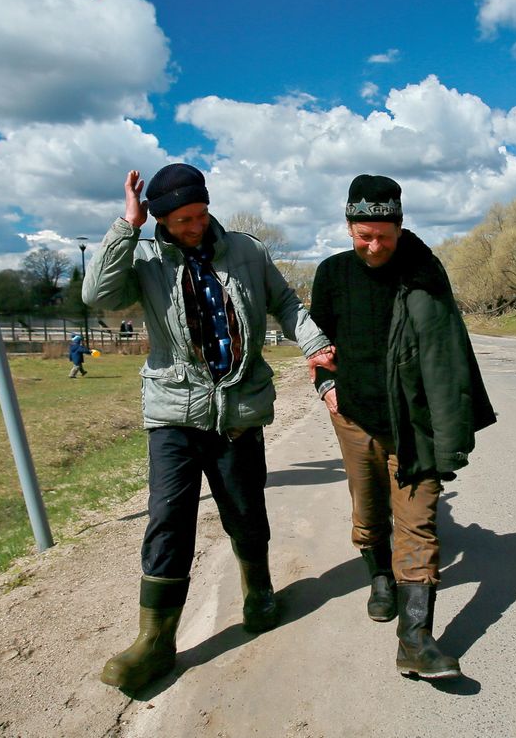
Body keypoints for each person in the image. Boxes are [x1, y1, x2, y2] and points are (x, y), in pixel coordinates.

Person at [83, 164, 334, 692]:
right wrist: (126, 226)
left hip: (238, 408)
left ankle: (258, 591)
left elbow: (285, 303)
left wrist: (314, 343)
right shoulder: (145, 255)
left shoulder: (246, 250)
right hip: (173, 410)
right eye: (182, 219)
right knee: (168, 517)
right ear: (160, 217)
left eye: (200, 214)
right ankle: (155, 642)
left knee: (244, 508)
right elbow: (98, 296)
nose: (195, 226)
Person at [310, 174, 495, 680]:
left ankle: (415, 639)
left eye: (384, 237)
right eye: (364, 236)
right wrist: (326, 389)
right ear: (349, 228)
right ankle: (380, 579)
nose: (374, 247)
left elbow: (447, 348)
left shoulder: (423, 275)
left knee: (418, 520)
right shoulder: (331, 274)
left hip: (415, 423)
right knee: (369, 512)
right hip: (354, 417)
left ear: (399, 227)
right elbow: (317, 342)